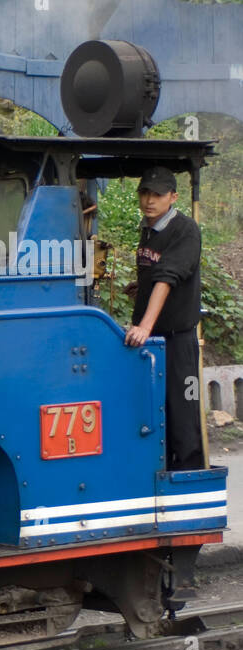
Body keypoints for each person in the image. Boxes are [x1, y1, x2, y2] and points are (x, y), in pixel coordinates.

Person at [123, 166, 204, 471]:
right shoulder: (148, 228)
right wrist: (139, 287)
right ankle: (161, 479)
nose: (149, 200)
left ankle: (189, 482)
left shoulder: (185, 230)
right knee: (155, 414)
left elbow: (167, 278)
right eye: (144, 192)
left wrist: (144, 325)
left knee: (183, 413)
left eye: (157, 194)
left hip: (178, 340)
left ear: (173, 197)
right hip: (153, 340)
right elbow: (154, 273)